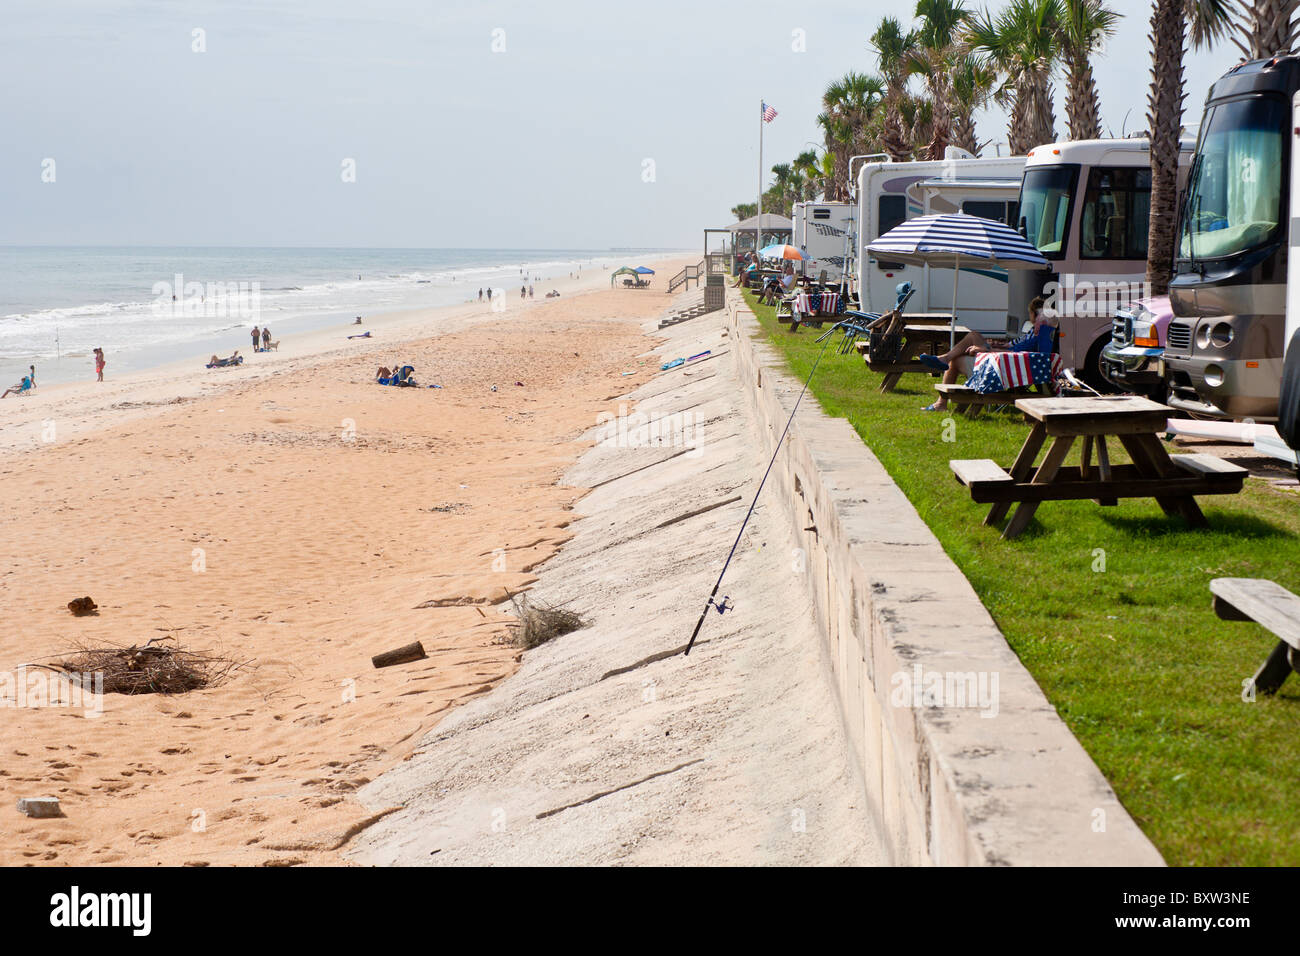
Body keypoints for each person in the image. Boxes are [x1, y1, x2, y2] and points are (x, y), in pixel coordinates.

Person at [919, 296, 1056, 411]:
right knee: (972, 338)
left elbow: (1018, 355)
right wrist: (994, 345)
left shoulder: (1040, 333)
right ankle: (944, 361)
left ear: (1035, 314)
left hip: (1002, 367)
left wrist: (987, 350)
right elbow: (1013, 346)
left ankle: (941, 401)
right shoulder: (1035, 332)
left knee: (956, 358)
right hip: (1001, 361)